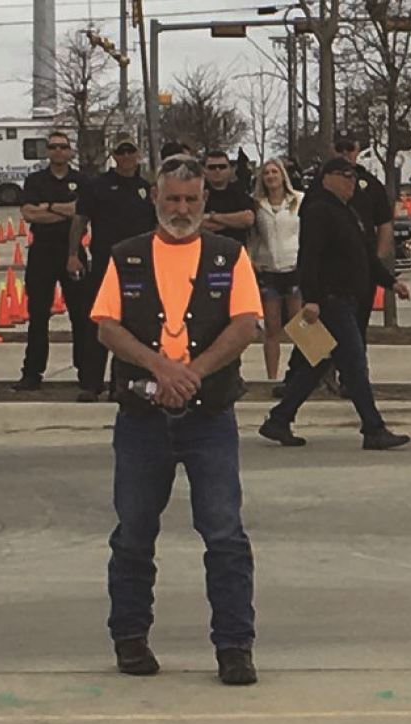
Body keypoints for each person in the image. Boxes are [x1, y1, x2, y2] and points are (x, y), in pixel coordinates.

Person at [88, 155, 263, 686]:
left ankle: (234, 646)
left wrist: (193, 373)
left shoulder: (229, 257)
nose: (181, 209)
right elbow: (106, 328)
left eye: (191, 200)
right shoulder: (127, 258)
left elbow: (245, 325)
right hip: (142, 419)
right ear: (155, 199)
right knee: (134, 534)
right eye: (172, 200)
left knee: (225, 534)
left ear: (204, 202)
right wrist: (160, 367)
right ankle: (130, 637)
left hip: (209, 417)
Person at [256, 156, 411, 450]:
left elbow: (366, 256)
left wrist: (391, 282)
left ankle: (278, 419)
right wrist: (312, 299)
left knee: (318, 363)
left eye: (353, 177)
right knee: (353, 363)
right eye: (345, 176)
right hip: (330, 301)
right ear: (328, 178)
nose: (351, 182)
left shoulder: (347, 211)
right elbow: (309, 258)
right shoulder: (318, 210)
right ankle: (373, 428)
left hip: (348, 299)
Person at [71, 137, 156, 402]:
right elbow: (79, 221)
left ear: (139, 154)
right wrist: (73, 254)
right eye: (122, 151)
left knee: (135, 328)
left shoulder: (147, 189)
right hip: (105, 266)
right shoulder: (97, 186)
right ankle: (91, 383)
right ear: (113, 155)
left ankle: (123, 384)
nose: (127, 155)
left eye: (131, 150)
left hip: (139, 269)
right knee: (97, 324)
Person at [13, 129, 90, 393]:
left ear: (70, 152)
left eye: (63, 147)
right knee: (38, 316)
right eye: (53, 147)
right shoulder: (35, 180)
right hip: (42, 252)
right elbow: (29, 214)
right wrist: (64, 210)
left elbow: (82, 215)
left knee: (81, 317)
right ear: (47, 151)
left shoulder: (82, 180)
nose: (58, 151)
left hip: (73, 253)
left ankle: (87, 372)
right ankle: (32, 373)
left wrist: (48, 207)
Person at [329, 135, 396, 335]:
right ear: (332, 150)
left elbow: (384, 223)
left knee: (357, 329)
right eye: (339, 148)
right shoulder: (319, 183)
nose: (345, 153)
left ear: (358, 149)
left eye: (349, 148)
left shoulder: (371, 185)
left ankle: (355, 366)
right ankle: (325, 367)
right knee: (323, 335)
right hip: (329, 270)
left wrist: (378, 258)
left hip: (361, 270)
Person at [250, 159, 303, 380]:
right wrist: (252, 259)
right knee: (271, 330)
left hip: (294, 266)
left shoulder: (299, 200)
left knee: (301, 327)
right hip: (269, 270)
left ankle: (307, 376)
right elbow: (252, 237)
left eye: (275, 172)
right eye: (266, 173)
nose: (271, 176)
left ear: (283, 176)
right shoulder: (256, 204)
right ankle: (272, 377)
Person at [200, 149, 257, 248]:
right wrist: (234, 222)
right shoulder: (198, 193)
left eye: (222, 167)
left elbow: (248, 219)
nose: (217, 170)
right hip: (205, 253)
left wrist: (213, 217)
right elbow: (197, 224)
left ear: (230, 169)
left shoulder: (239, 191)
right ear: (204, 170)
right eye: (212, 167)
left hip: (236, 252)